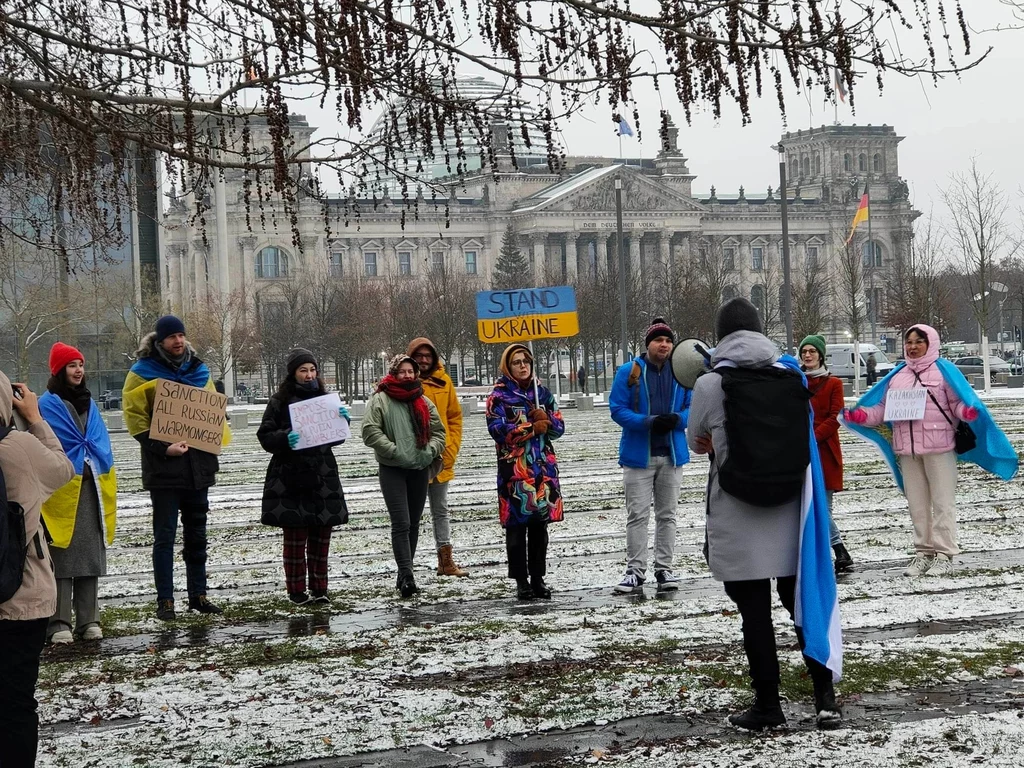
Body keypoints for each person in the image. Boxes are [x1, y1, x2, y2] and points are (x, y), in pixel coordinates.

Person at [687, 298, 842, 731]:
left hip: (737, 509)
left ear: (720, 336)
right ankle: (824, 698)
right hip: (791, 509)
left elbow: (696, 441)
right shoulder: (791, 375)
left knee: (754, 614)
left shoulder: (709, 385)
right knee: (801, 605)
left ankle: (768, 707)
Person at [844, 324, 1016, 577]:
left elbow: (957, 402)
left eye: (918, 342)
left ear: (930, 343)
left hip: (940, 448)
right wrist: (862, 415)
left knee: (942, 502)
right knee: (917, 504)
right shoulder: (897, 376)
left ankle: (944, 554)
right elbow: (882, 410)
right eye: (909, 342)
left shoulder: (943, 372)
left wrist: (966, 412)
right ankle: (923, 553)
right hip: (907, 450)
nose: (913, 347)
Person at [122, 315, 226, 620]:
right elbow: (135, 421)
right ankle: (165, 600)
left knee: (197, 534)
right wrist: (163, 448)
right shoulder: (141, 373)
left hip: (198, 467)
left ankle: (199, 595)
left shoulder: (199, 369)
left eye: (181, 335)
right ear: (160, 340)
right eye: (172, 337)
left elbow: (210, 414)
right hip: (164, 470)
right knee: (164, 536)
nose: (178, 341)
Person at [0, 372, 76, 767]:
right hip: (20, 596)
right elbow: (63, 470)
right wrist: (34, 418)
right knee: (14, 703)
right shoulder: (20, 447)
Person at [39, 342, 117, 644]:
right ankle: (58, 622)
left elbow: (100, 441)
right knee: (60, 557)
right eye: (72, 365)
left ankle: (89, 620)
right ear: (59, 370)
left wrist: (93, 464)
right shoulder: (46, 405)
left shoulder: (91, 404)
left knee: (88, 559)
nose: (79, 370)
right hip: (59, 494)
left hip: (90, 490)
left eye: (81, 365)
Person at [258, 348, 349, 605]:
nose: (309, 375)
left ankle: (320, 588)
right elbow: (265, 435)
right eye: (303, 370)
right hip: (290, 475)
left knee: (322, 536)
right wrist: (285, 438)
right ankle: (296, 591)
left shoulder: (326, 399)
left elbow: (335, 437)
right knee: (296, 537)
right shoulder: (279, 400)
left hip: (323, 475)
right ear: (293, 373)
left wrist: (342, 422)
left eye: (312, 370)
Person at [609, 317, 692, 594]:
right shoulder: (629, 371)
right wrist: (647, 422)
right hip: (638, 457)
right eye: (659, 340)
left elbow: (694, 406)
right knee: (637, 516)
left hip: (671, 455)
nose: (664, 345)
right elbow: (617, 409)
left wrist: (678, 419)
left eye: (668, 340)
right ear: (648, 344)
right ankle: (634, 571)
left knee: (667, 515)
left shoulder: (683, 371)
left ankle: (664, 569)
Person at [361, 354, 447, 598]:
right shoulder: (381, 399)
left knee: (414, 523)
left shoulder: (423, 400)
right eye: (403, 371)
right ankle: (407, 575)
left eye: (411, 371)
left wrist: (429, 451)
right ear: (394, 373)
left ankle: (404, 572)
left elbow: (439, 433)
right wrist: (393, 451)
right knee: (401, 522)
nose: (407, 375)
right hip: (393, 469)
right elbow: (370, 431)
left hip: (419, 469)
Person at [486, 344, 565, 600]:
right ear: (507, 366)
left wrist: (547, 420)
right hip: (515, 472)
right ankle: (521, 580)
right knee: (517, 529)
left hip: (542, 469)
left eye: (526, 361)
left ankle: (538, 577)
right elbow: (498, 431)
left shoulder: (542, 393)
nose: (522, 366)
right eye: (517, 362)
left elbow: (559, 427)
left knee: (540, 529)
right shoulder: (498, 397)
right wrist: (532, 427)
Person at [406, 337, 468, 577]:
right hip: (413, 460)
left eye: (427, 356)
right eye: (419, 356)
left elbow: (454, 417)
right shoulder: (405, 382)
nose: (423, 360)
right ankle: (406, 565)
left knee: (440, 510)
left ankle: (445, 561)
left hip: (440, 458)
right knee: (411, 514)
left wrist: (450, 449)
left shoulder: (444, 381)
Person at [799, 335, 854, 575]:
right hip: (799, 449)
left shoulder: (834, 384)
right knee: (805, 504)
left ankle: (839, 550)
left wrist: (813, 436)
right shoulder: (795, 381)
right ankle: (833, 552)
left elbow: (836, 417)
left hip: (824, 450)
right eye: (804, 352)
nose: (808, 355)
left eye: (812, 351)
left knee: (823, 506)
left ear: (821, 355)